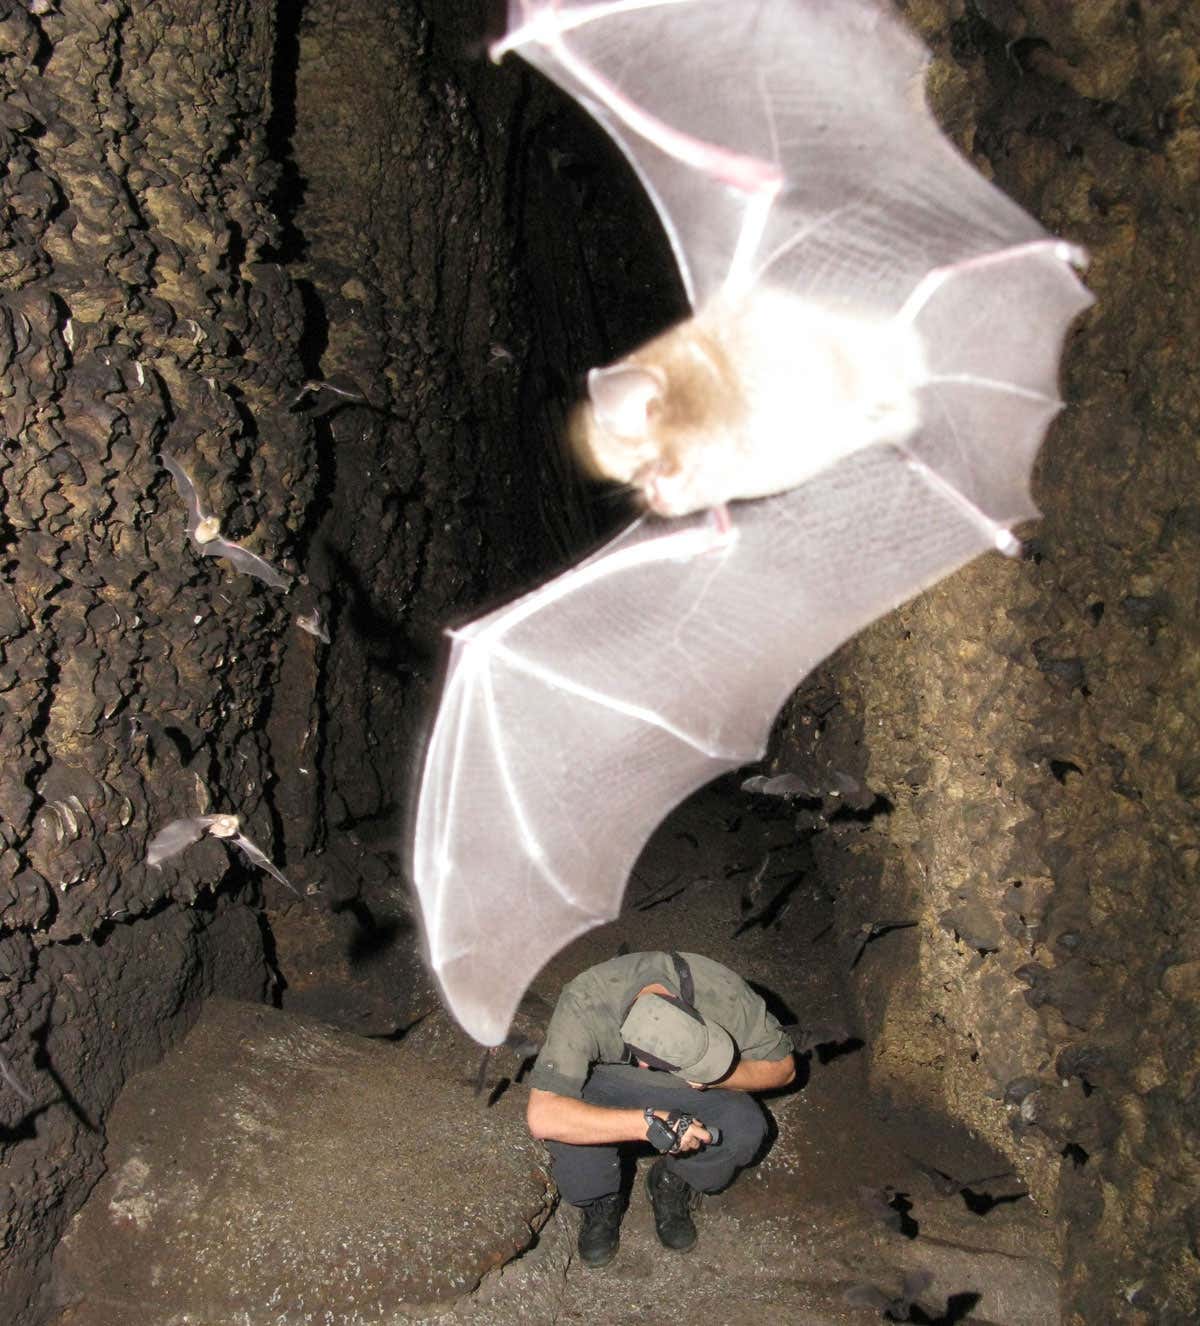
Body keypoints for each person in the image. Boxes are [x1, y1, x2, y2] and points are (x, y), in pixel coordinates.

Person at [525, 950, 795, 1268]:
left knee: (745, 1127)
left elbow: (785, 1069)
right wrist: (648, 1123)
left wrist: (717, 1076)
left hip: (687, 1086)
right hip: (604, 1080)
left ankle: (673, 1179)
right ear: (643, 1060)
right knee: (572, 1138)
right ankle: (601, 1201)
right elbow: (543, 1116)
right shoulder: (585, 1001)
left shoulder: (723, 992)